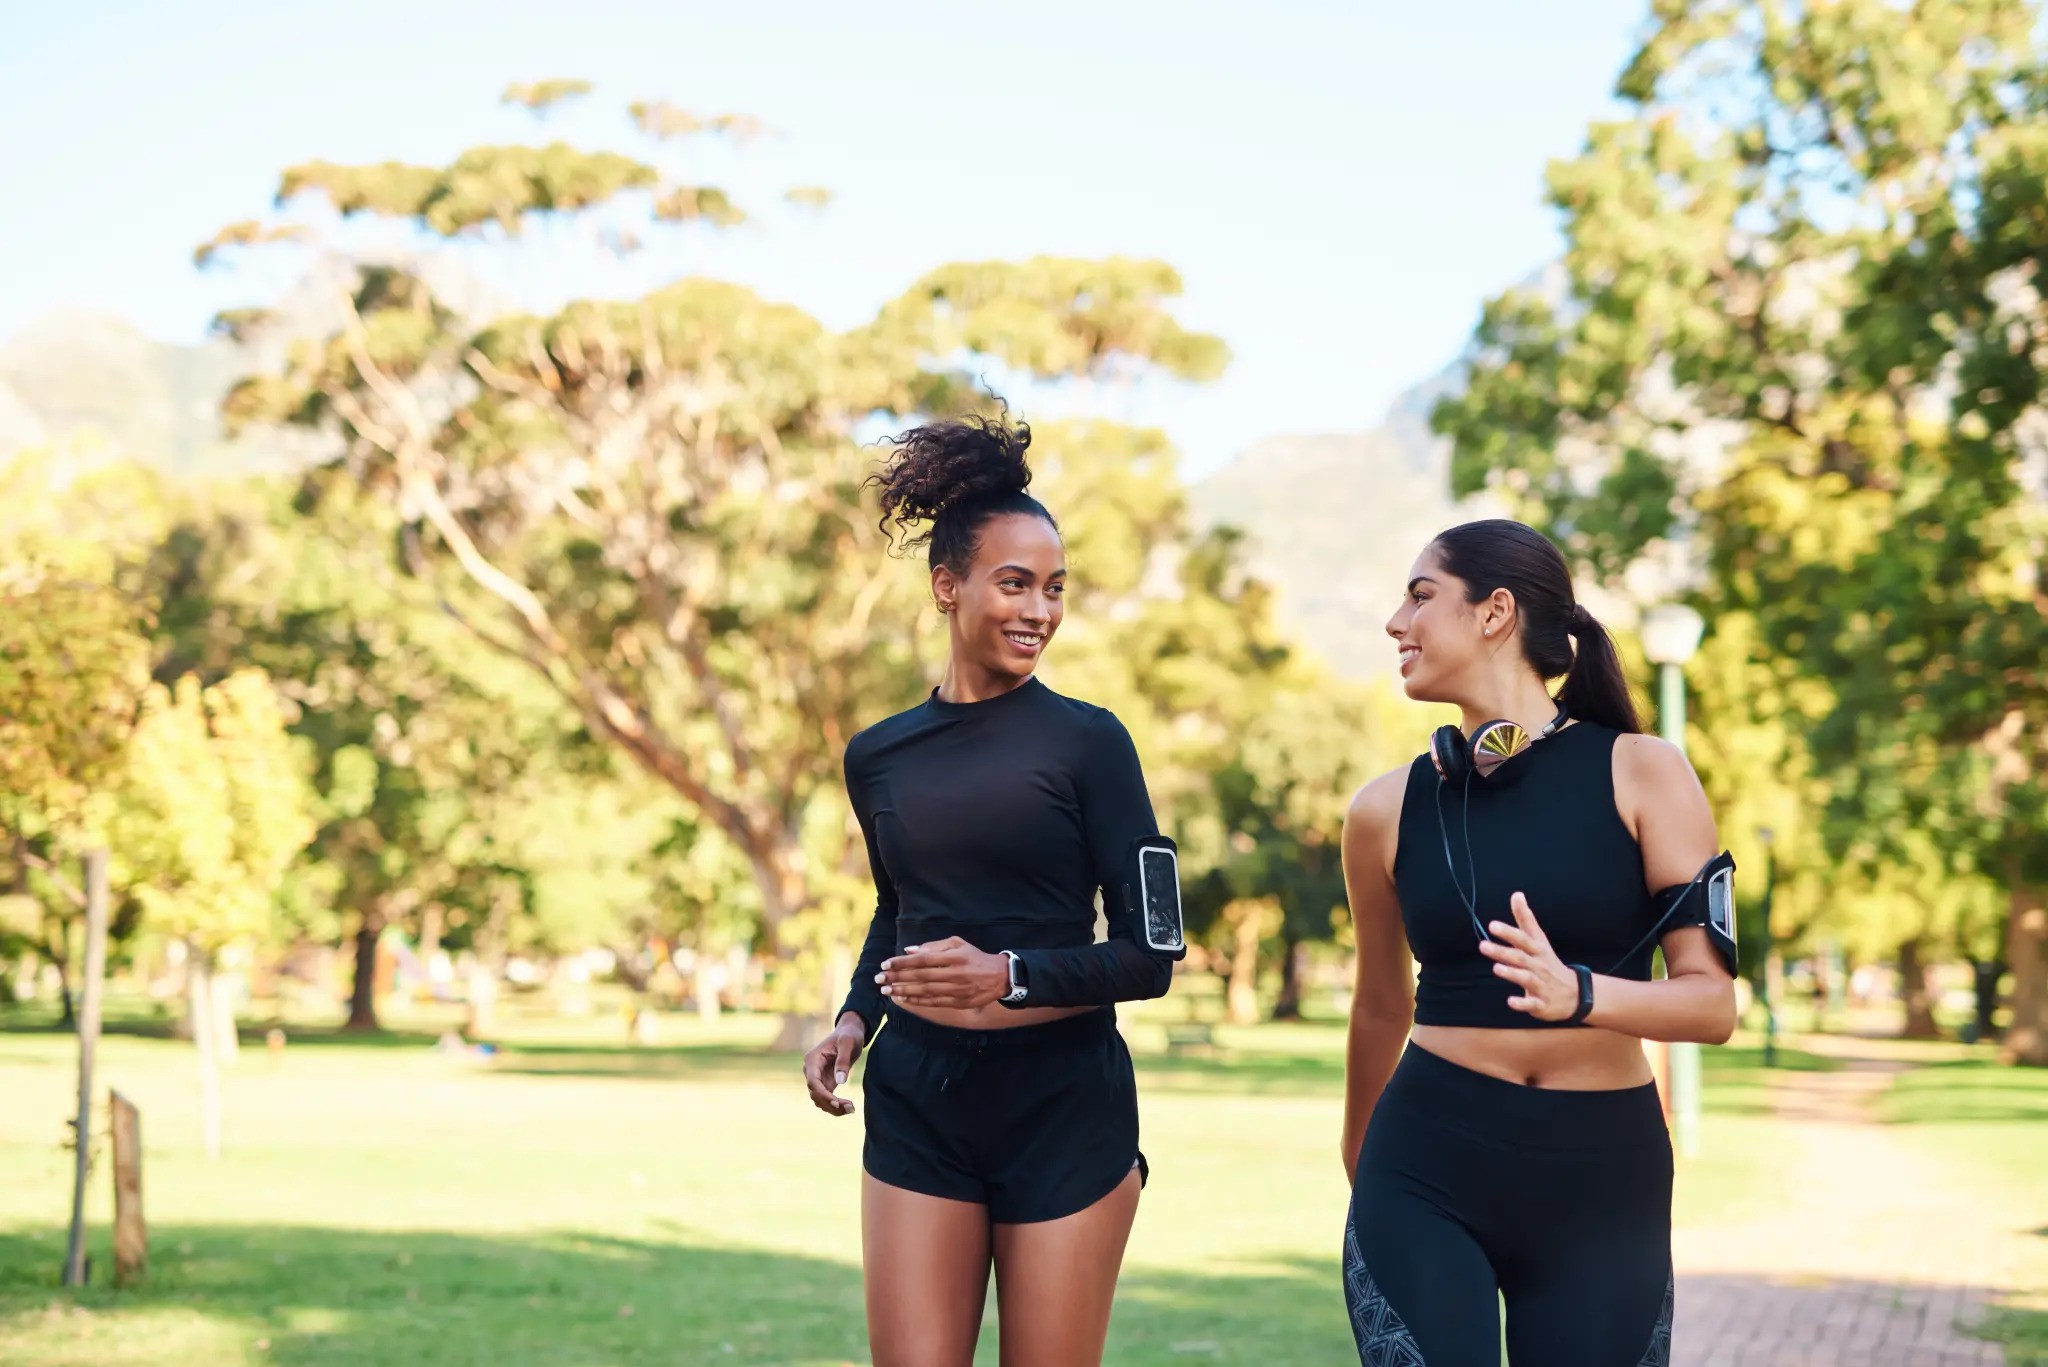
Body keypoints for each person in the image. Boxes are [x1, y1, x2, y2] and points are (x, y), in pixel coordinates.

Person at [800, 410, 1177, 1367]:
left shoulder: (1093, 742)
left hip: (1064, 1108)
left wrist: (1006, 975)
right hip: (920, 1102)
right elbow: (899, 907)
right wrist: (855, 1019)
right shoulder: (877, 756)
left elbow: (1152, 955)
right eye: (1014, 583)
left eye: (1054, 589)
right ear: (947, 586)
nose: (1039, 610)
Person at [1339, 518, 1737, 1365]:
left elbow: (1711, 1002)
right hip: (1423, 1168)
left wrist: (1583, 994)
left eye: (1420, 595)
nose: (1394, 622)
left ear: (1495, 612)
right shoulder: (1381, 810)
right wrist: (1360, 1160)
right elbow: (1378, 1005)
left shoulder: (1645, 770)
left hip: (1602, 1177)